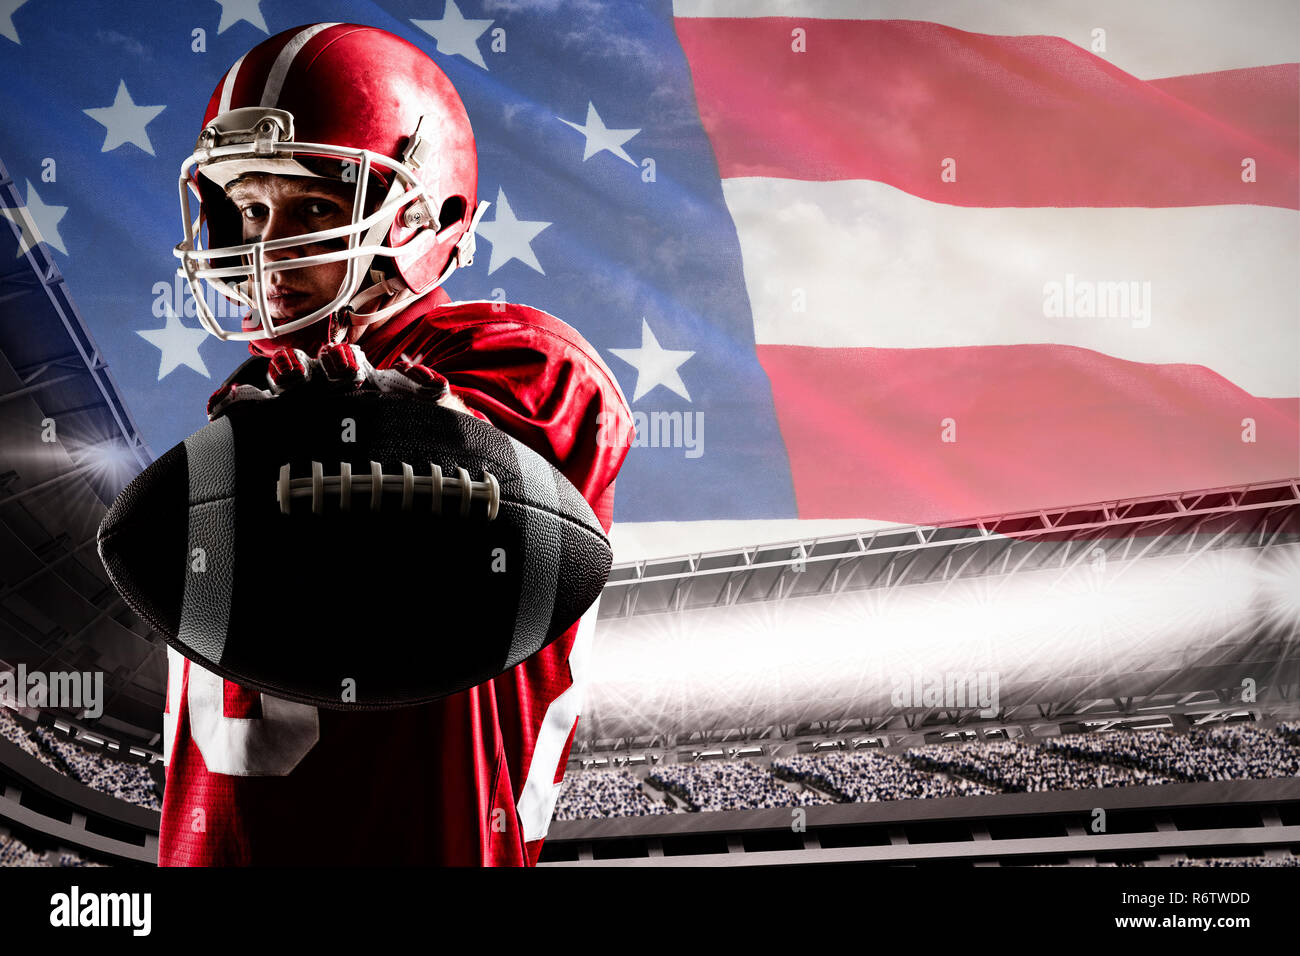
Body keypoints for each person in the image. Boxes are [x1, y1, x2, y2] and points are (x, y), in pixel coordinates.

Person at [161, 22, 632, 865]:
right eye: (253, 209)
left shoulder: (522, 360)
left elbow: (471, 491)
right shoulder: (250, 405)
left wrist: (402, 418)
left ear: (424, 216)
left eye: (310, 207)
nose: (267, 245)